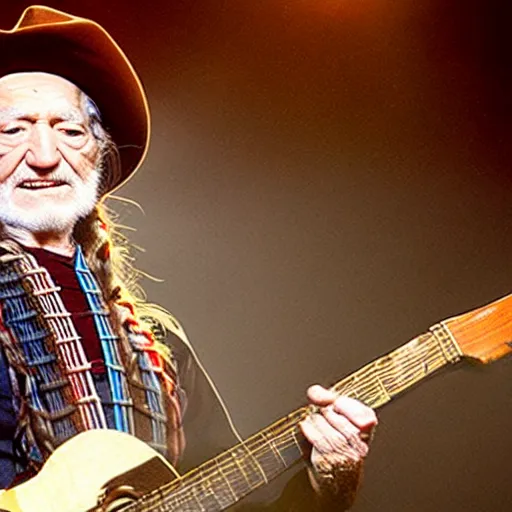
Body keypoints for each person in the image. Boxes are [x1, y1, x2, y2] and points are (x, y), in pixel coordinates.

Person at [0, 6, 377, 510]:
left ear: (98, 153)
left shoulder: (159, 348)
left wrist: (327, 483)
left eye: (70, 131)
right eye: (12, 130)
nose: (45, 155)